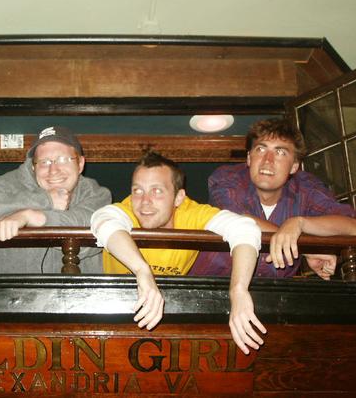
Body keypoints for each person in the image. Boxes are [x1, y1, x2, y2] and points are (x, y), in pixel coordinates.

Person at [91, 151, 265, 354]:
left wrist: (239, 290)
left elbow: (245, 229)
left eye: (157, 191)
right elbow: (103, 221)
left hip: (169, 313)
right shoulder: (128, 209)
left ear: (178, 197)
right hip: (112, 311)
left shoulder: (190, 213)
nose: (145, 201)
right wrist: (142, 271)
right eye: (137, 190)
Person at [191, 118, 356, 279]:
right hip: (205, 286)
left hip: (271, 293)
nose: (268, 160)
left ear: (294, 166)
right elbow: (240, 220)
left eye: (280, 152)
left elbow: (353, 228)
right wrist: (306, 247)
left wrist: (299, 224)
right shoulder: (227, 178)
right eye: (261, 149)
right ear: (249, 158)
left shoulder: (306, 188)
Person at [0, 126, 111, 274]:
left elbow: (94, 230)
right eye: (44, 162)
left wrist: (30, 217)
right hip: (6, 289)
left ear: (80, 164)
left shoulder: (95, 193)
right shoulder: (6, 184)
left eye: (63, 159)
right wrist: (45, 199)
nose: (54, 170)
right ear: (33, 167)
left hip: (78, 290)